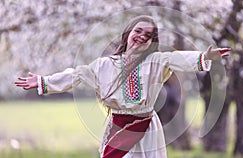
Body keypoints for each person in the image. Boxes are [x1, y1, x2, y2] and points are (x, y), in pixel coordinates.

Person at [15, 15, 231, 158]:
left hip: (146, 127)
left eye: (148, 36)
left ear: (151, 43)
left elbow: (177, 58)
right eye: (138, 31)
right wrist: (44, 81)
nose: (141, 37)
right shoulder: (105, 65)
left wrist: (204, 56)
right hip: (119, 126)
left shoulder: (157, 61)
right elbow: (77, 75)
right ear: (128, 33)